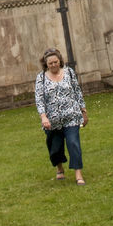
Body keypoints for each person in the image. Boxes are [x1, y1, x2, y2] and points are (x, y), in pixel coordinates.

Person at [35, 47, 88, 184]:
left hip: (72, 116)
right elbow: (39, 99)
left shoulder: (69, 72)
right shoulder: (41, 78)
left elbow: (77, 92)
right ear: (46, 64)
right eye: (50, 63)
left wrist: (83, 111)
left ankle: (78, 174)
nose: (53, 65)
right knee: (55, 148)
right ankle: (59, 168)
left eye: (55, 62)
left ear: (60, 61)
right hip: (52, 121)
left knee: (73, 143)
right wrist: (43, 117)